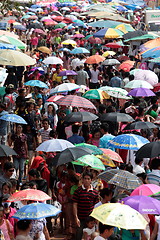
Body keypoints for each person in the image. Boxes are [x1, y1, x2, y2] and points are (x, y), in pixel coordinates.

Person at [73, 171, 99, 240]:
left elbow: (96, 206)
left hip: (91, 220)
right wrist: (76, 217)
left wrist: (96, 218)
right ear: (82, 180)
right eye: (85, 178)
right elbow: (75, 204)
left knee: (91, 237)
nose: (86, 180)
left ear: (91, 180)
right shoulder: (78, 191)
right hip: (80, 218)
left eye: (88, 179)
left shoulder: (95, 192)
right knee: (78, 235)